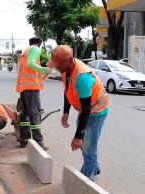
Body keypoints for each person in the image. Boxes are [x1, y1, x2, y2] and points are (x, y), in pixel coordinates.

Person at [47, 45, 110, 181]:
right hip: (86, 109)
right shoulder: (66, 70)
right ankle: (94, 166)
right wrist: (66, 112)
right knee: (86, 144)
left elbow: (87, 110)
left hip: (97, 110)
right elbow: (68, 91)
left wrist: (78, 137)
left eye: (58, 64)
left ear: (69, 60)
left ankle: (89, 181)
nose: (56, 67)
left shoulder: (82, 77)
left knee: (88, 145)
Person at [16, 37, 52, 150]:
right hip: (31, 87)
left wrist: (41, 75)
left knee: (25, 113)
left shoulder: (25, 52)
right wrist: (45, 70)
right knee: (34, 113)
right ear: (39, 44)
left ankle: (24, 140)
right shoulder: (35, 49)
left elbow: (28, 69)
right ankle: (39, 143)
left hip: (24, 86)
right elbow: (31, 65)